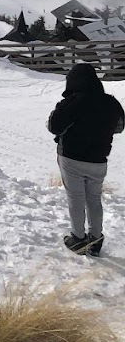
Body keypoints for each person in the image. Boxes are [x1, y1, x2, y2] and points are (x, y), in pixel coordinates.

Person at [47, 63, 125, 255]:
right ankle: (96, 239)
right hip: (99, 160)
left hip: (71, 158)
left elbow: (54, 126)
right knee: (94, 199)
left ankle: (78, 239)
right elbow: (119, 127)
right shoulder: (111, 103)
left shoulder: (73, 101)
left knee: (76, 199)